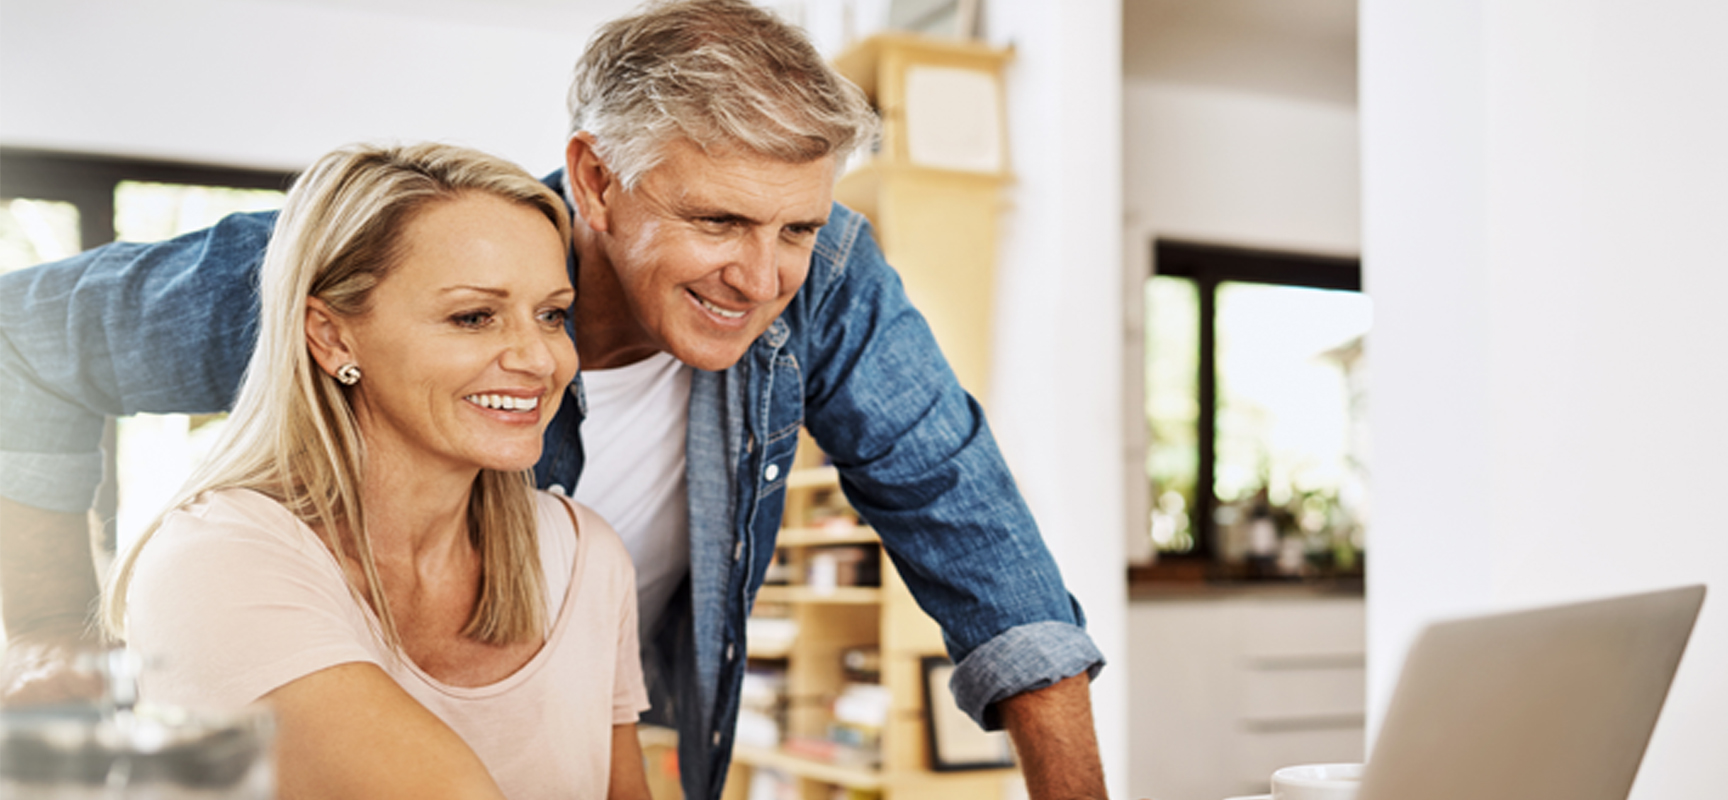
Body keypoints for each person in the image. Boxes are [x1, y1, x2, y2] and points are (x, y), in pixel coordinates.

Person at [0, 1, 1108, 798]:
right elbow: (22, 335)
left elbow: (964, 511)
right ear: (594, 177)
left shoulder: (589, 544)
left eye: (797, 230)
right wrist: (46, 635)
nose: (764, 275)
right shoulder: (371, 267)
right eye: (717, 221)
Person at [100, 141, 652, 799]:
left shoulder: (584, 557)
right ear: (332, 337)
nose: (540, 359)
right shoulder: (213, 562)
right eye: (474, 316)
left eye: (551, 315)